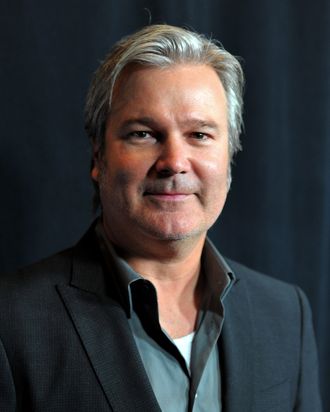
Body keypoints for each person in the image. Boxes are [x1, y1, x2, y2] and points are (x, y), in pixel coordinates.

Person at [0, 24, 322, 412]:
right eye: (143, 134)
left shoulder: (287, 315)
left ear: (229, 159)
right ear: (98, 157)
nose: (173, 162)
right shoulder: (12, 322)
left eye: (199, 135)